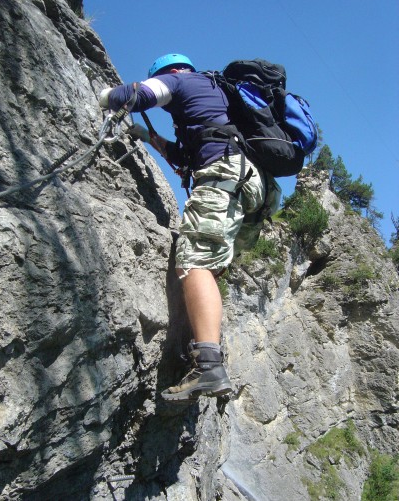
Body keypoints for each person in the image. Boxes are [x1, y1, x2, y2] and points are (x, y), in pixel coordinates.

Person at [99, 53, 279, 402]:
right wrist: (148, 137)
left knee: (195, 262)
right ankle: (204, 340)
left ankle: (210, 365)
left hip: (225, 176)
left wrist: (104, 96)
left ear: (172, 71)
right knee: (212, 267)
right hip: (257, 189)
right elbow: (183, 158)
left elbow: (140, 94)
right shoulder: (217, 97)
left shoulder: (180, 80)